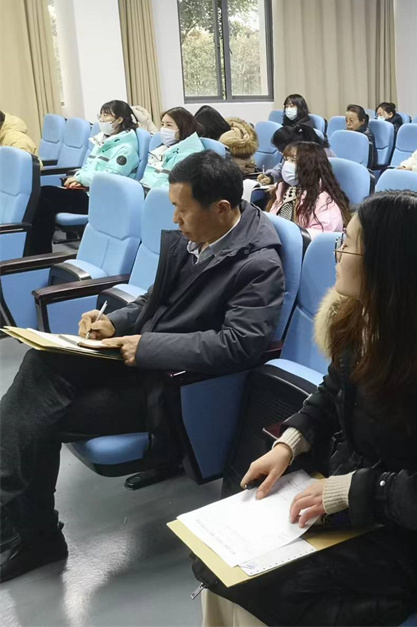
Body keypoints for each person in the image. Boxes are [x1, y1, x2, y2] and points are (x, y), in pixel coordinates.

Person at [195, 190, 417, 626]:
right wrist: (290, 443)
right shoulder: (363, 316)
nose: (338, 253)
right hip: (348, 494)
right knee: (216, 562)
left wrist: (348, 491)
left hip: (399, 533)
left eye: (348, 243)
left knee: (257, 583)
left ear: (386, 264)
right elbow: (334, 391)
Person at [0, 150, 285, 583]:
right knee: (42, 361)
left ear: (222, 208)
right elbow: (154, 299)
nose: (175, 219)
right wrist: (114, 321)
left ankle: (35, 537)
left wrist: (148, 346)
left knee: (38, 417)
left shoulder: (258, 264)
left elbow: (239, 344)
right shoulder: (200, 237)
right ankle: (17, 515)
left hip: (172, 387)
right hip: (142, 360)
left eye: (182, 209)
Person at [24, 100, 140, 255]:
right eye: (101, 115)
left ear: (119, 119)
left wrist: (80, 179)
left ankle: (38, 256)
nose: (102, 120)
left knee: (45, 197)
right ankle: (37, 254)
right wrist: (78, 178)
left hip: (103, 199)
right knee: (43, 196)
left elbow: (110, 179)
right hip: (88, 191)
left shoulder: (126, 149)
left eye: (106, 115)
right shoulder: (105, 141)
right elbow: (88, 167)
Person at [267, 141, 351, 235]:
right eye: (286, 159)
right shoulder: (284, 189)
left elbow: (322, 236)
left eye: (293, 160)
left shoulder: (324, 200)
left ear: (310, 165)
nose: (287, 164)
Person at [141, 106, 204, 190]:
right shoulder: (166, 148)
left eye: (169, 125)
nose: (163, 129)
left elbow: (175, 189)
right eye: (162, 124)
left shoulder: (191, 154)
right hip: (147, 189)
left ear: (183, 127)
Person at [260, 125, 335, 186]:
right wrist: (271, 176)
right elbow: (282, 166)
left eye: (292, 160)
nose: (280, 153)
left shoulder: (320, 155)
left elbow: (314, 179)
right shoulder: (295, 151)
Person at [345, 104, 376, 169]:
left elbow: (369, 163)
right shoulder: (345, 133)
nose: (348, 124)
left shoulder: (367, 137)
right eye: (346, 120)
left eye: (351, 121)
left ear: (362, 121)